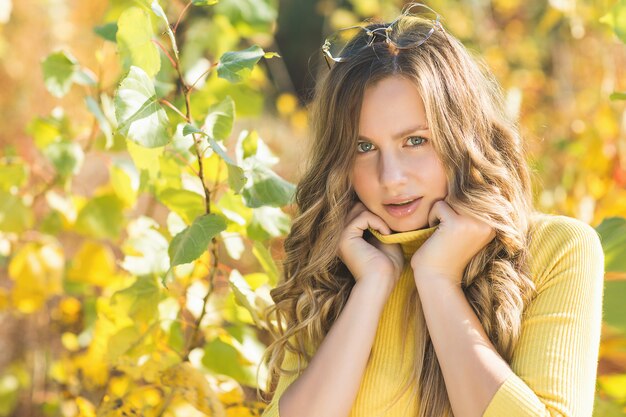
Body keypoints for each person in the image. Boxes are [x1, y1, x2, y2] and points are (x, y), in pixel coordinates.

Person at [257, 3, 605, 417]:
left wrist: (438, 279)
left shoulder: (557, 250)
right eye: (363, 147)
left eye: (415, 141)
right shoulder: (337, 265)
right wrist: (371, 287)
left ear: (462, 137)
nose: (391, 178)